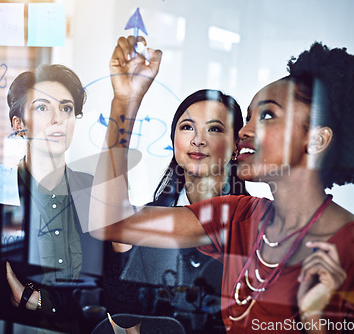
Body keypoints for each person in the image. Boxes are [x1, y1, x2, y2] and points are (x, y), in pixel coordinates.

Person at [89, 36, 354, 333]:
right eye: (250, 116)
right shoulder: (237, 217)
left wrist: (316, 322)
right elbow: (111, 222)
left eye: (267, 115)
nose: (244, 131)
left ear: (316, 139)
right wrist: (125, 102)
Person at [0, 64, 105, 333]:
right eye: (42, 108)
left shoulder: (94, 192)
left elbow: (104, 289)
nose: (58, 119)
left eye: (66, 108)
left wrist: (40, 301)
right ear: (19, 125)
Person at [104, 88, 247, 328]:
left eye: (214, 129)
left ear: (235, 146)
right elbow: (122, 308)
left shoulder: (256, 221)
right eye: (187, 127)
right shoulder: (146, 219)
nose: (198, 140)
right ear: (173, 140)